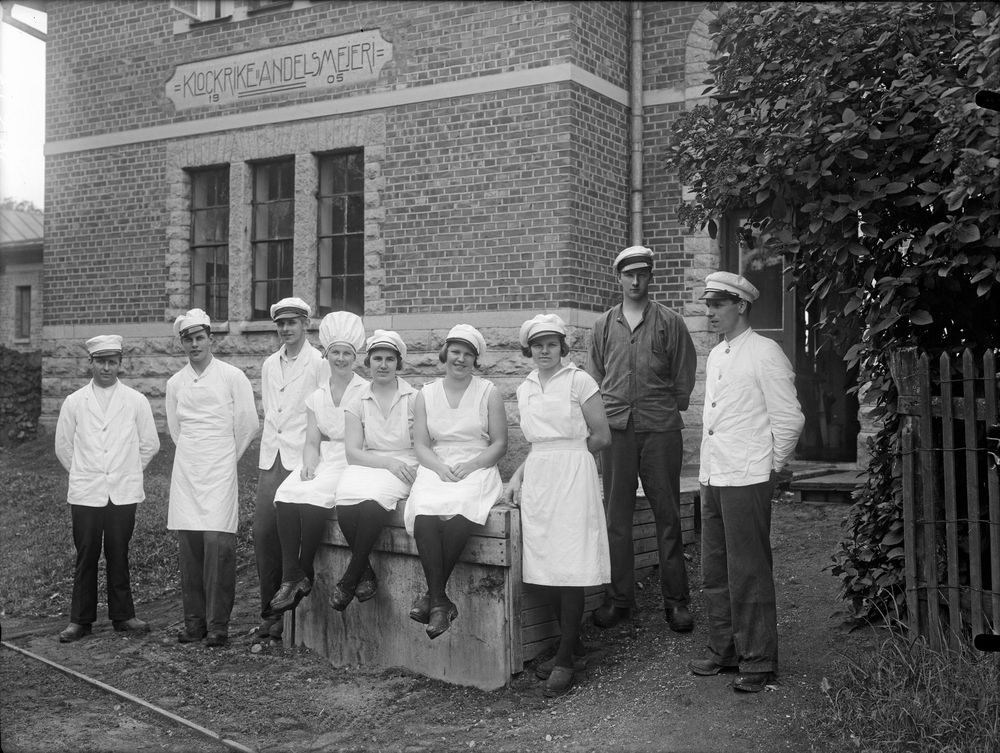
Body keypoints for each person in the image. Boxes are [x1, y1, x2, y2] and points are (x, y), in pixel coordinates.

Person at [688, 271, 804, 693]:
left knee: (749, 570)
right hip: (714, 475)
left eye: (719, 304)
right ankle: (725, 651)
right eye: (709, 304)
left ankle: (758, 659)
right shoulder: (718, 354)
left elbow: (789, 419)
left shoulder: (765, 352)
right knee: (715, 569)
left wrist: (766, 466)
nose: (711, 312)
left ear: (741, 305)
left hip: (747, 477)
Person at [587, 245, 698, 632]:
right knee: (616, 518)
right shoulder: (602, 326)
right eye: (628, 275)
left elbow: (684, 378)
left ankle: (677, 602)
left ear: (651, 277)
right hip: (616, 431)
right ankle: (620, 600)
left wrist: (663, 407)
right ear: (618, 278)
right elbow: (594, 380)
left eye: (642, 274)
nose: (635, 281)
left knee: (667, 515)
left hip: (660, 430)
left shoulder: (671, 322)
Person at [505, 314, 612, 696]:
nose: (544, 350)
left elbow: (601, 435)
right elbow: (538, 444)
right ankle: (575, 647)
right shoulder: (525, 387)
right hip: (540, 478)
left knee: (570, 564)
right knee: (545, 563)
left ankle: (565, 660)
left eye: (551, 344)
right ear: (529, 350)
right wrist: (521, 474)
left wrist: (572, 461)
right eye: (537, 345)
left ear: (563, 347)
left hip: (573, 476)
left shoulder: (579, 380)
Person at [54, 335, 161, 643]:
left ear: (120, 364)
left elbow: (150, 444)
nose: (106, 367)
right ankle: (80, 620)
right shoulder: (75, 402)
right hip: (87, 491)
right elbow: (63, 447)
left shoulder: (135, 400)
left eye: (112, 361)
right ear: (91, 363)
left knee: (118, 551)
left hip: (122, 492)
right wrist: (87, 472)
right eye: (100, 361)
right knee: (86, 553)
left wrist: (125, 470)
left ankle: (123, 616)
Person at [405, 324, 507, 639]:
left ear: (475, 359)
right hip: (437, 467)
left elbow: (500, 444)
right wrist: (437, 467)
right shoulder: (426, 394)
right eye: (455, 352)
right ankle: (440, 601)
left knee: (464, 511)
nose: (460, 359)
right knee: (424, 514)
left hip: (477, 466)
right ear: (445, 354)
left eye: (467, 354)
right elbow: (421, 445)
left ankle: (432, 598)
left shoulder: (489, 392)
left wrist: (472, 464)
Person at [166, 309, 259, 647]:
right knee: (190, 546)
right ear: (183, 344)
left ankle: (218, 625)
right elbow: (176, 430)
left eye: (199, 337)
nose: (194, 344)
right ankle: (194, 625)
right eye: (188, 339)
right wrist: (196, 453)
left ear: (210, 339)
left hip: (220, 465)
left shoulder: (232, 376)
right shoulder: (175, 383)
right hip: (187, 468)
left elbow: (248, 424)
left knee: (218, 546)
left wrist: (223, 456)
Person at [268, 311, 368, 618]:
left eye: (347, 354)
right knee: (286, 494)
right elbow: (312, 441)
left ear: (355, 357)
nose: (340, 359)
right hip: (324, 458)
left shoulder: (364, 391)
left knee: (312, 497)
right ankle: (291, 575)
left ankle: (303, 571)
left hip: (353, 460)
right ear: (326, 355)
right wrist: (309, 464)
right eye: (335, 353)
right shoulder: (317, 396)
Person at [251, 297, 328, 645]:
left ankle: (287, 619)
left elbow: (325, 413)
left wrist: (315, 457)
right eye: (280, 323)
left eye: (292, 322)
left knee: (290, 538)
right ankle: (269, 613)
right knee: (263, 533)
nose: (286, 329)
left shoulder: (319, 363)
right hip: (273, 458)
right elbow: (272, 411)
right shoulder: (269, 364)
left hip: (304, 460)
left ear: (305, 324)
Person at [329, 329, 417, 611]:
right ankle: (363, 573)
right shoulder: (357, 399)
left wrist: (396, 464)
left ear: (398, 363)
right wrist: (386, 463)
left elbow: (424, 443)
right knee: (345, 497)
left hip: (405, 461)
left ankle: (349, 578)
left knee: (373, 501)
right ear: (368, 363)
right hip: (370, 461)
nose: (382, 364)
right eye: (377, 358)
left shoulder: (415, 398)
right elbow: (353, 452)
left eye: (389, 359)